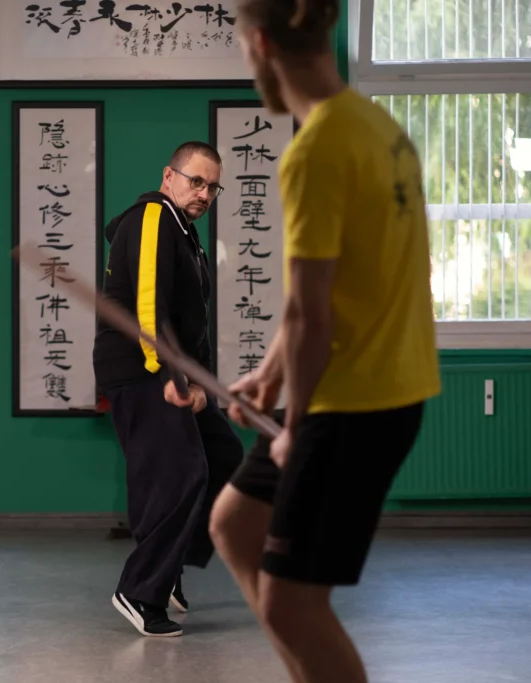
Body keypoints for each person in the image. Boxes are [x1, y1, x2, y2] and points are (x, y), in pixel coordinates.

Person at [209, 1, 442, 681]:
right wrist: (270, 372)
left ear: (259, 43)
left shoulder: (314, 152)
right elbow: (322, 295)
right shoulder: (376, 126)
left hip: (356, 406)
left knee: (292, 605)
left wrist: (295, 424)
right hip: (360, 387)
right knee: (234, 524)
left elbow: (314, 314)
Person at [93, 141, 245, 638]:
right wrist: (172, 380)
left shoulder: (186, 232)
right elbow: (148, 306)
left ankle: (169, 568)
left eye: (212, 186)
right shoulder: (155, 216)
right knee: (181, 472)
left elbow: (189, 323)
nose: (203, 192)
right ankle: (140, 591)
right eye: (195, 181)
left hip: (173, 373)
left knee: (221, 457)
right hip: (145, 372)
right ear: (169, 176)